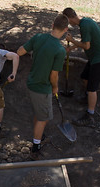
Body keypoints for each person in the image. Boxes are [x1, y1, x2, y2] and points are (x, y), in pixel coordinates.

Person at [17, 14, 68, 159]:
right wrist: (55, 87)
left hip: (32, 82)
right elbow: (54, 75)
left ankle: (38, 134)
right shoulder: (59, 49)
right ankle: (36, 147)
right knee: (44, 118)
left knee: (39, 113)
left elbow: (20, 51)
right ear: (65, 30)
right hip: (42, 87)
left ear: (52, 25)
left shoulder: (38, 37)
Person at [62, 7, 100, 127]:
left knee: (92, 88)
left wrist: (72, 40)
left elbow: (86, 46)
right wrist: (71, 48)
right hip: (94, 58)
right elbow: (87, 42)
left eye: (68, 21)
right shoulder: (85, 22)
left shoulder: (84, 25)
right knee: (85, 77)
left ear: (70, 18)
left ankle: (90, 115)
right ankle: (87, 98)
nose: (69, 24)